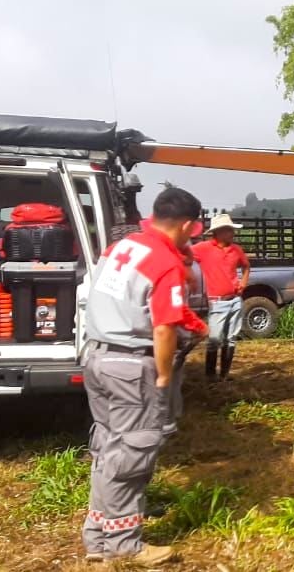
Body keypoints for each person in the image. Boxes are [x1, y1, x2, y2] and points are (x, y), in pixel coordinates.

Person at [80, 187, 205, 565]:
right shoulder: (165, 262)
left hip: (98, 357)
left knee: (108, 450)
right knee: (133, 452)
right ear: (186, 225)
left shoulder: (123, 247)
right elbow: (164, 328)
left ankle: (98, 536)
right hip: (132, 367)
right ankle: (125, 544)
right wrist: (164, 377)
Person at [191, 214, 250, 382]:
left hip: (234, 299)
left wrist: (243, 284)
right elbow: (184, 255)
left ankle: (224, 375)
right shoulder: (203, 248)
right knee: (215, 338)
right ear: (219, 232)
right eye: (229, 230)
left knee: (230, 339)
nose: (232, 233)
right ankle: (210, 376)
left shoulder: (236, 250)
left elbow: (246, 266)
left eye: (232, 230)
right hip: (217, 301)